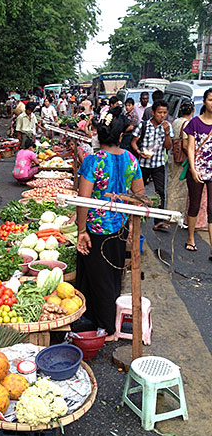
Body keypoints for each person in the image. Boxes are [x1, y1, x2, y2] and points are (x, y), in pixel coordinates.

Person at [75, 107, 144, 340]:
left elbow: (83, 200)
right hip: (119, 228)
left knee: (96, 277)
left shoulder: (93, 161)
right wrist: (133, 226)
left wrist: (81, 231)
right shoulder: (131, 159)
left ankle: (105, 326)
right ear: (120, 136)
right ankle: (101, 319)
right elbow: (140, 196)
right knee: (112, 274)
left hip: (95, 229)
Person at [131, 100, 173, 231]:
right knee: (138, 192)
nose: (162, 115)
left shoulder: (167, 127)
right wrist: (138, 152)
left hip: (158, 164)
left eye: (165, 113)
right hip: (143, 164)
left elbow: (168, 146)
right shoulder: (144, 125)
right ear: (153, 113)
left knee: (160, 192)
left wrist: (166, 133)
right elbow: (134, 142)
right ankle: (135, 216)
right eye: (160, 112)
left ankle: (158, 221)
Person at [184, 88, 212, 256]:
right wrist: (193, 169)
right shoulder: (195, 122)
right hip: (197, 170)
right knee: (194, 205)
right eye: (210, 100)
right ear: (205, 102)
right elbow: (191, 147)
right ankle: (190, 238)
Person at [167, 101, 195, 223]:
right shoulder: (187, 123)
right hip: (182, 158)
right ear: (192, 111)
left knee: (172, 183)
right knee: (180, 186)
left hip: (173, 155)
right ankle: (176, 214)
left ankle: (169, 211)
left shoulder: (176, 121)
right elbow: (185, 144)